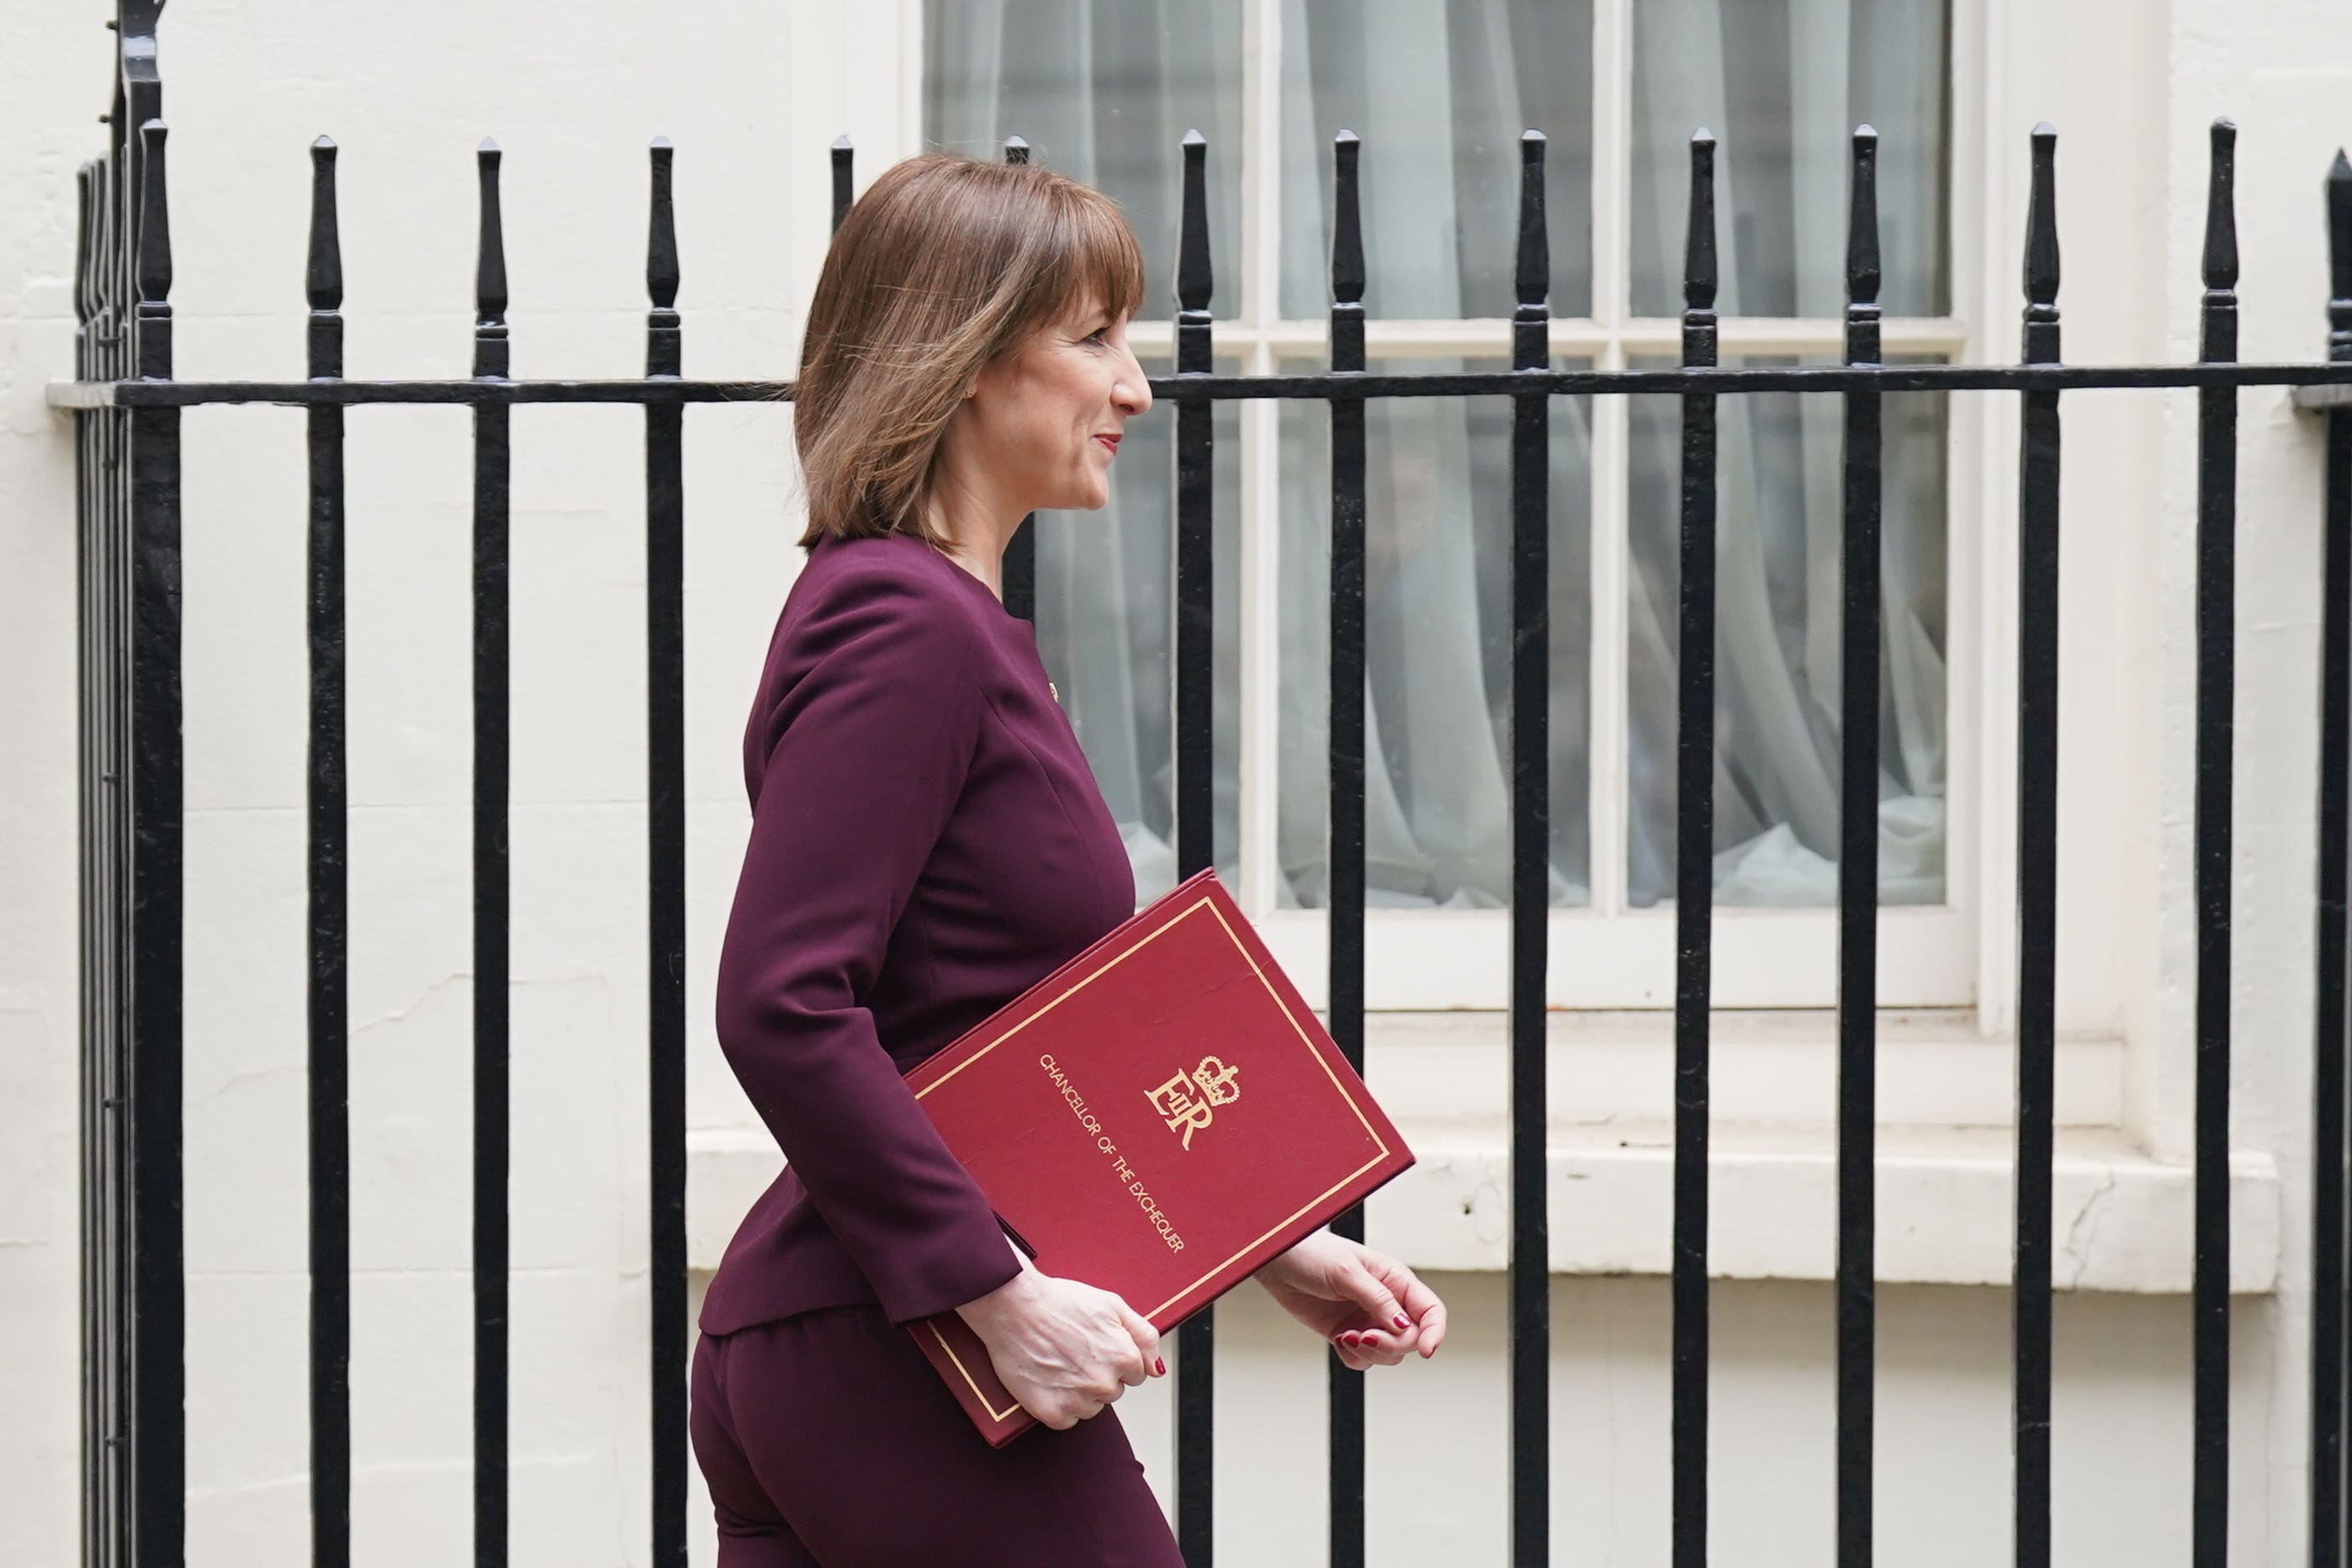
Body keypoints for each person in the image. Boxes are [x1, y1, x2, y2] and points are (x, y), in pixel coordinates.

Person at [688, 150, 1449, 1568]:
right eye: (1094, 337)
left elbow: (1009, 1044)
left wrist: (1275, 1243)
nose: (1136, 387)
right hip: (891, 1351)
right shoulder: (905, 626)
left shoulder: (929, 620)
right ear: (971, 359)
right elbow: (784, 1001)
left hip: (846, 1335)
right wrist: (995, 1296)